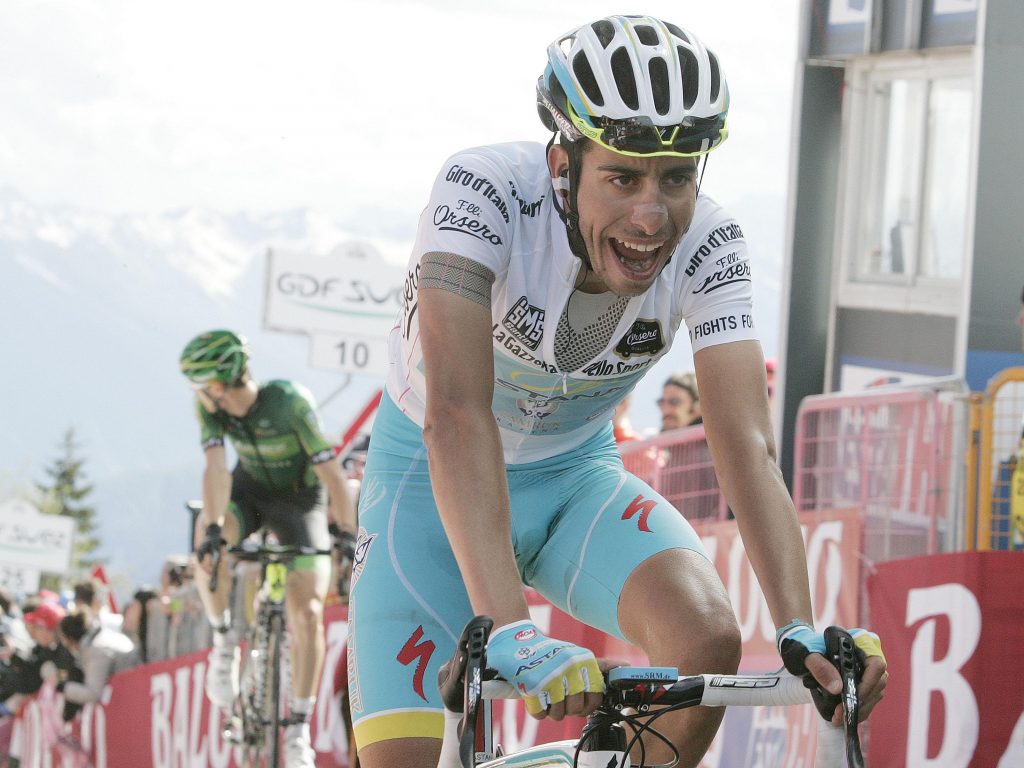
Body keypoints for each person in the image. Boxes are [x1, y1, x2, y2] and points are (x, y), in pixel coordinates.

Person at [348, 15, 888, 768]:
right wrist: (510, 627)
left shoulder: (712, 243)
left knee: (707, 638)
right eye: (623, 177)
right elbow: (456, 414)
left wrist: (797, 625)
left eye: (677, 178)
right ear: (562, 163)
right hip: (427, 494)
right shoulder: (479, 194)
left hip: (575, 478)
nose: (650, 215)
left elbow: (746, 442)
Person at [179, 329, 357, 768]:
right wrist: (216, 532)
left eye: (201, 386)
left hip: (301, 503)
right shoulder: (212, 412)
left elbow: (333, 475)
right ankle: (223, 645)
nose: (198, 395)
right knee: (208, 545)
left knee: (308, 612)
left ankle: (297, 729)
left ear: (219, 385)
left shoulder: (290, 403)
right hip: (251, 493)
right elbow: (217, 471)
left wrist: (349, 535)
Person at [55, 609, 138, 706]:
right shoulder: (98, 639)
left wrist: (61, 686)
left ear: (69, 638)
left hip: (134, 693)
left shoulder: (96, 650)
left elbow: (93, 693)